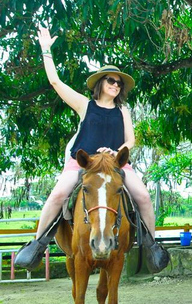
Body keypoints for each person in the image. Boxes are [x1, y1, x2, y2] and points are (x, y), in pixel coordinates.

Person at [14, 26, 169, 270]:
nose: (116, 85)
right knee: (56, 196)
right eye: (111, 80)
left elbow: (131, 140)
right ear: (100, 83)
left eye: (119, 83)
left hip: (116, 163)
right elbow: (55, 81)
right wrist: (46, 50)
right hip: (82, 163)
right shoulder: (85, 105)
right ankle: (37, 244)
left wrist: (119, 153)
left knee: (144, 198)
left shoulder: (123, 111)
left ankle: (151, 245)